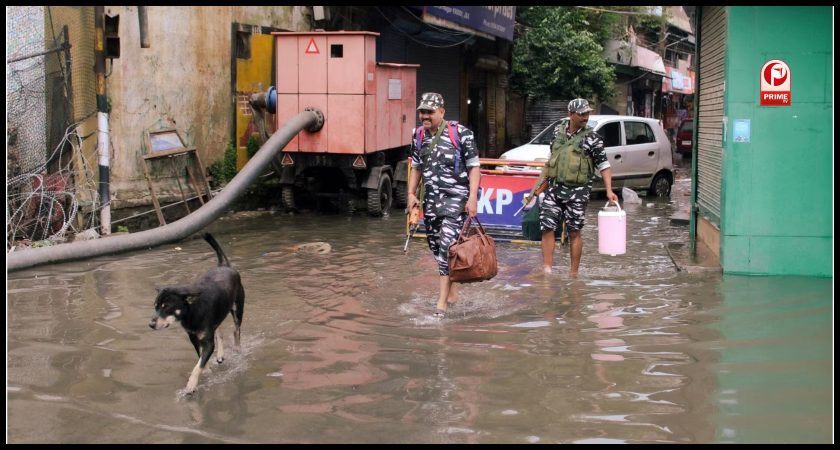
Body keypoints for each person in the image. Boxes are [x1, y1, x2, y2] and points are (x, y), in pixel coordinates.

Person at [407, 92, 481, 318]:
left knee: (446, 248)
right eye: (422, 112)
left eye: (429, 112)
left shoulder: (462, 134)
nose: (424, 116)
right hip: (431, 201)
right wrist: (410, 194)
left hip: (456, 199)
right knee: (435, 246)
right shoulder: (418, 136)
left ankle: (441, 305)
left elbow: (474, 167)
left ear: (442, 111)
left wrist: (472, 198)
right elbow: (417, 166)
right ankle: (453, 293)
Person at [532, 98, 618, 275]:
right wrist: (539, 186)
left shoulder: (593, 139)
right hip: (554, 189)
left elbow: (604, 166)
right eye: (581, 114)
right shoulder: (557, 132)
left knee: (574, 232)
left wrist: (609, 190)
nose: (585, 117)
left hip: (578, 193)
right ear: (570, 114)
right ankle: (547, 269)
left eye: (587, 113)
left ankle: (573, 274)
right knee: (547, 227)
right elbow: (552, 161)